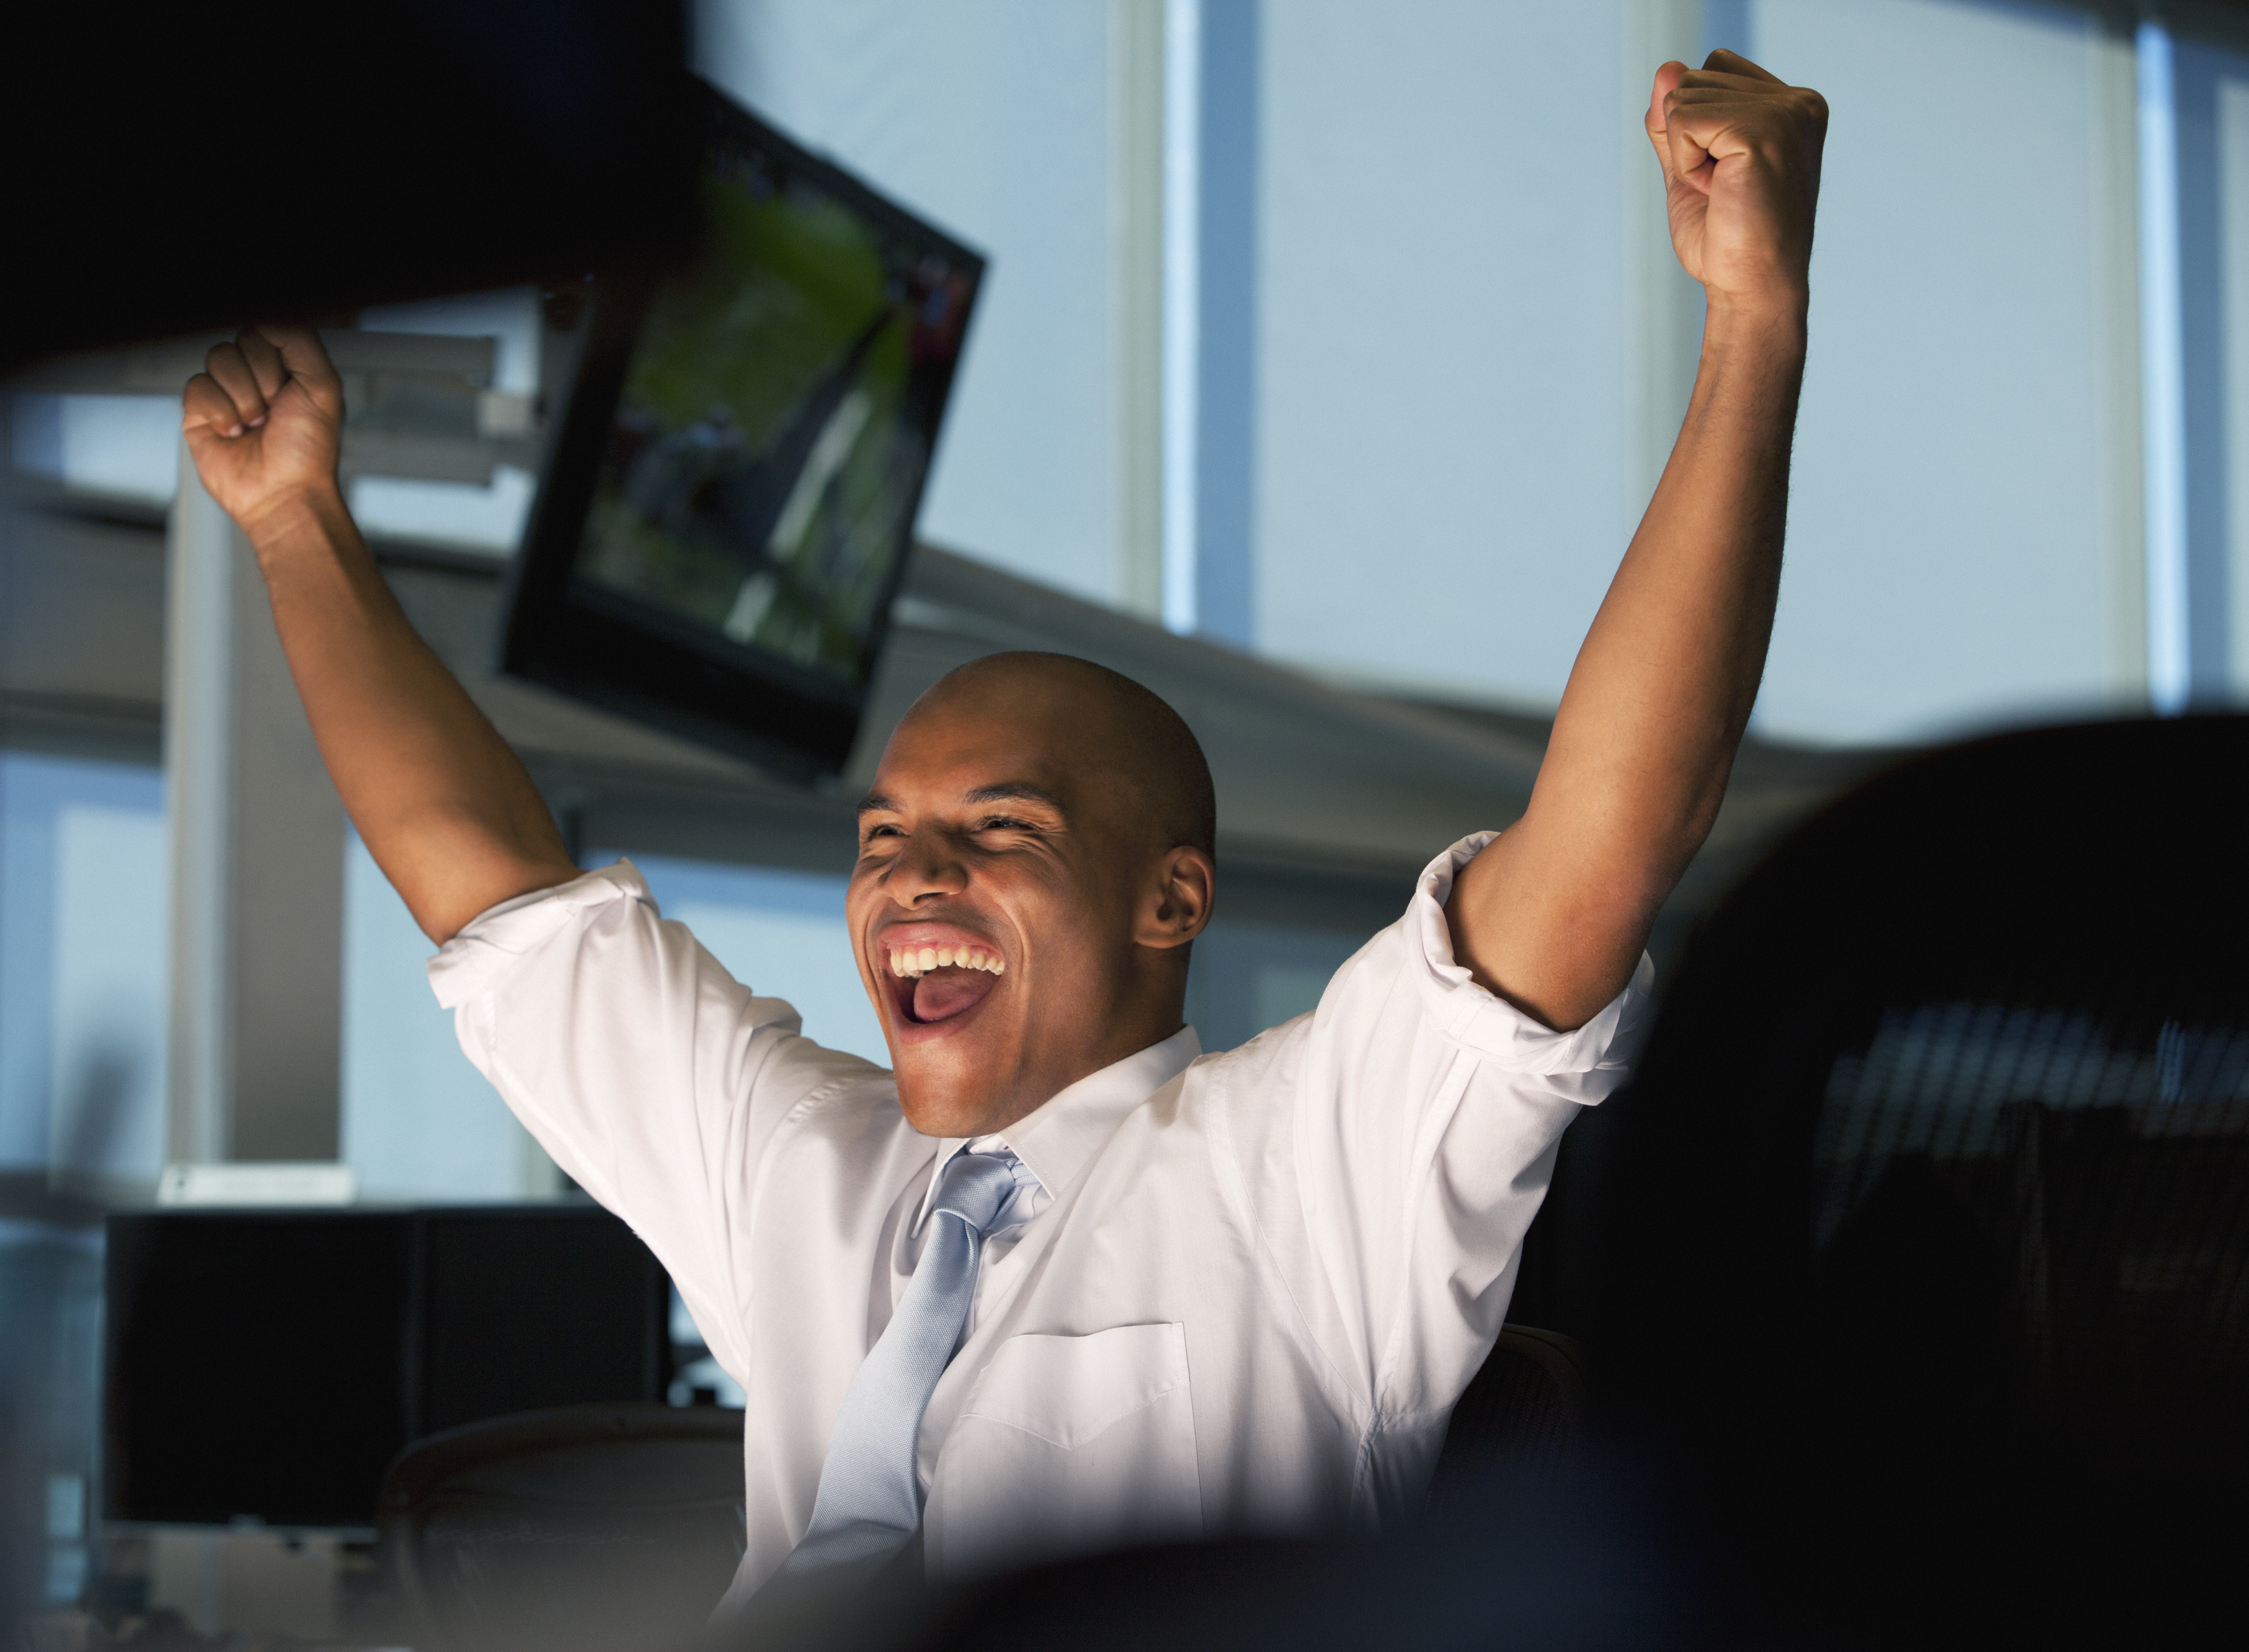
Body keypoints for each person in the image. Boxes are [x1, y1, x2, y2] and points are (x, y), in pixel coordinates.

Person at [181, 51, 1826, 1615]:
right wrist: (293, 522)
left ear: (1171, 898)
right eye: (885, 833)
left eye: (999, 826)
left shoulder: (1309, 1169)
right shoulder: (799, 1173)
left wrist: (1753, 320)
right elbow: (491, 891)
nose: (909, 875)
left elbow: (1606, 836)